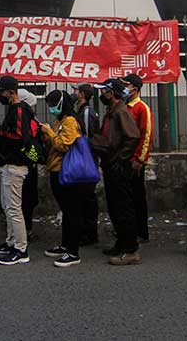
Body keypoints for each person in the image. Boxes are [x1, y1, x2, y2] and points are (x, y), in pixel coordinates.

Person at [41, 90, 94, 268]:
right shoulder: (61, 120)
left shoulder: (70, 121)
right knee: (67, 211)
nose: (51, 108)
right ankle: (65, 245)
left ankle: (73, 251)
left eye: (52, 104)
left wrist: (48, 132)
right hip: (57, 170)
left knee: (73, 212)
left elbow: (64, 145)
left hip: (68, 173)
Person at [91, 79, 141, 266]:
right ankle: (121, 243)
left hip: (118, 166)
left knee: (123, 208)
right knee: (114, 207)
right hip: (111, 165)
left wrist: (121, 159)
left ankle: (130, 250)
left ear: (111, 93)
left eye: (104, 91)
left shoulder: (120, 111)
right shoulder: (112, 112)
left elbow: (133, 136)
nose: (101, 95)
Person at [0, 75, 36, 266]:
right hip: (11, 165)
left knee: (14, 209)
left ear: (11, 93)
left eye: (2, 92)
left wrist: (0, 131)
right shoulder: (17, 110)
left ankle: (21, 249)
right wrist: (0, 128)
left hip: (15, 165)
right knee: (8, 207)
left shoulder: (19, 111)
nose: (0, 95)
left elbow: (19, 137)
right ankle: (11, 242)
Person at [121, 74, 153, 242]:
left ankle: (141, 232)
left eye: (126, 85)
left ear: (135, 88)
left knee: (137, 197)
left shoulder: (141, 108)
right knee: (127, 198)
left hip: (135, 161)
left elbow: (145, 135)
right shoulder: (125, 106)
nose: (124, 88)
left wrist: (139, 160)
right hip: (124, 159)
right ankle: (129, 229)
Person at [72, 83, 100, 246]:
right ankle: (85, 231)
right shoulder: (81, 111)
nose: (74, 93)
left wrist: (84, 159)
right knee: (83, 198)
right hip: (85, 160)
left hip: (87, 160)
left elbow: (86, 139)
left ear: (82, 94)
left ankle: (90, 234)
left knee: (88, 198)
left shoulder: (87, 112)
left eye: (76, 91)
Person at [18, 88, 41, 238]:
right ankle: (25, 229)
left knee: (25, 199)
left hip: (25, 164)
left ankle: (24, 229)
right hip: (28, 165)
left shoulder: (28, 121)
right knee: (26, 198)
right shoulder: (30, 122)